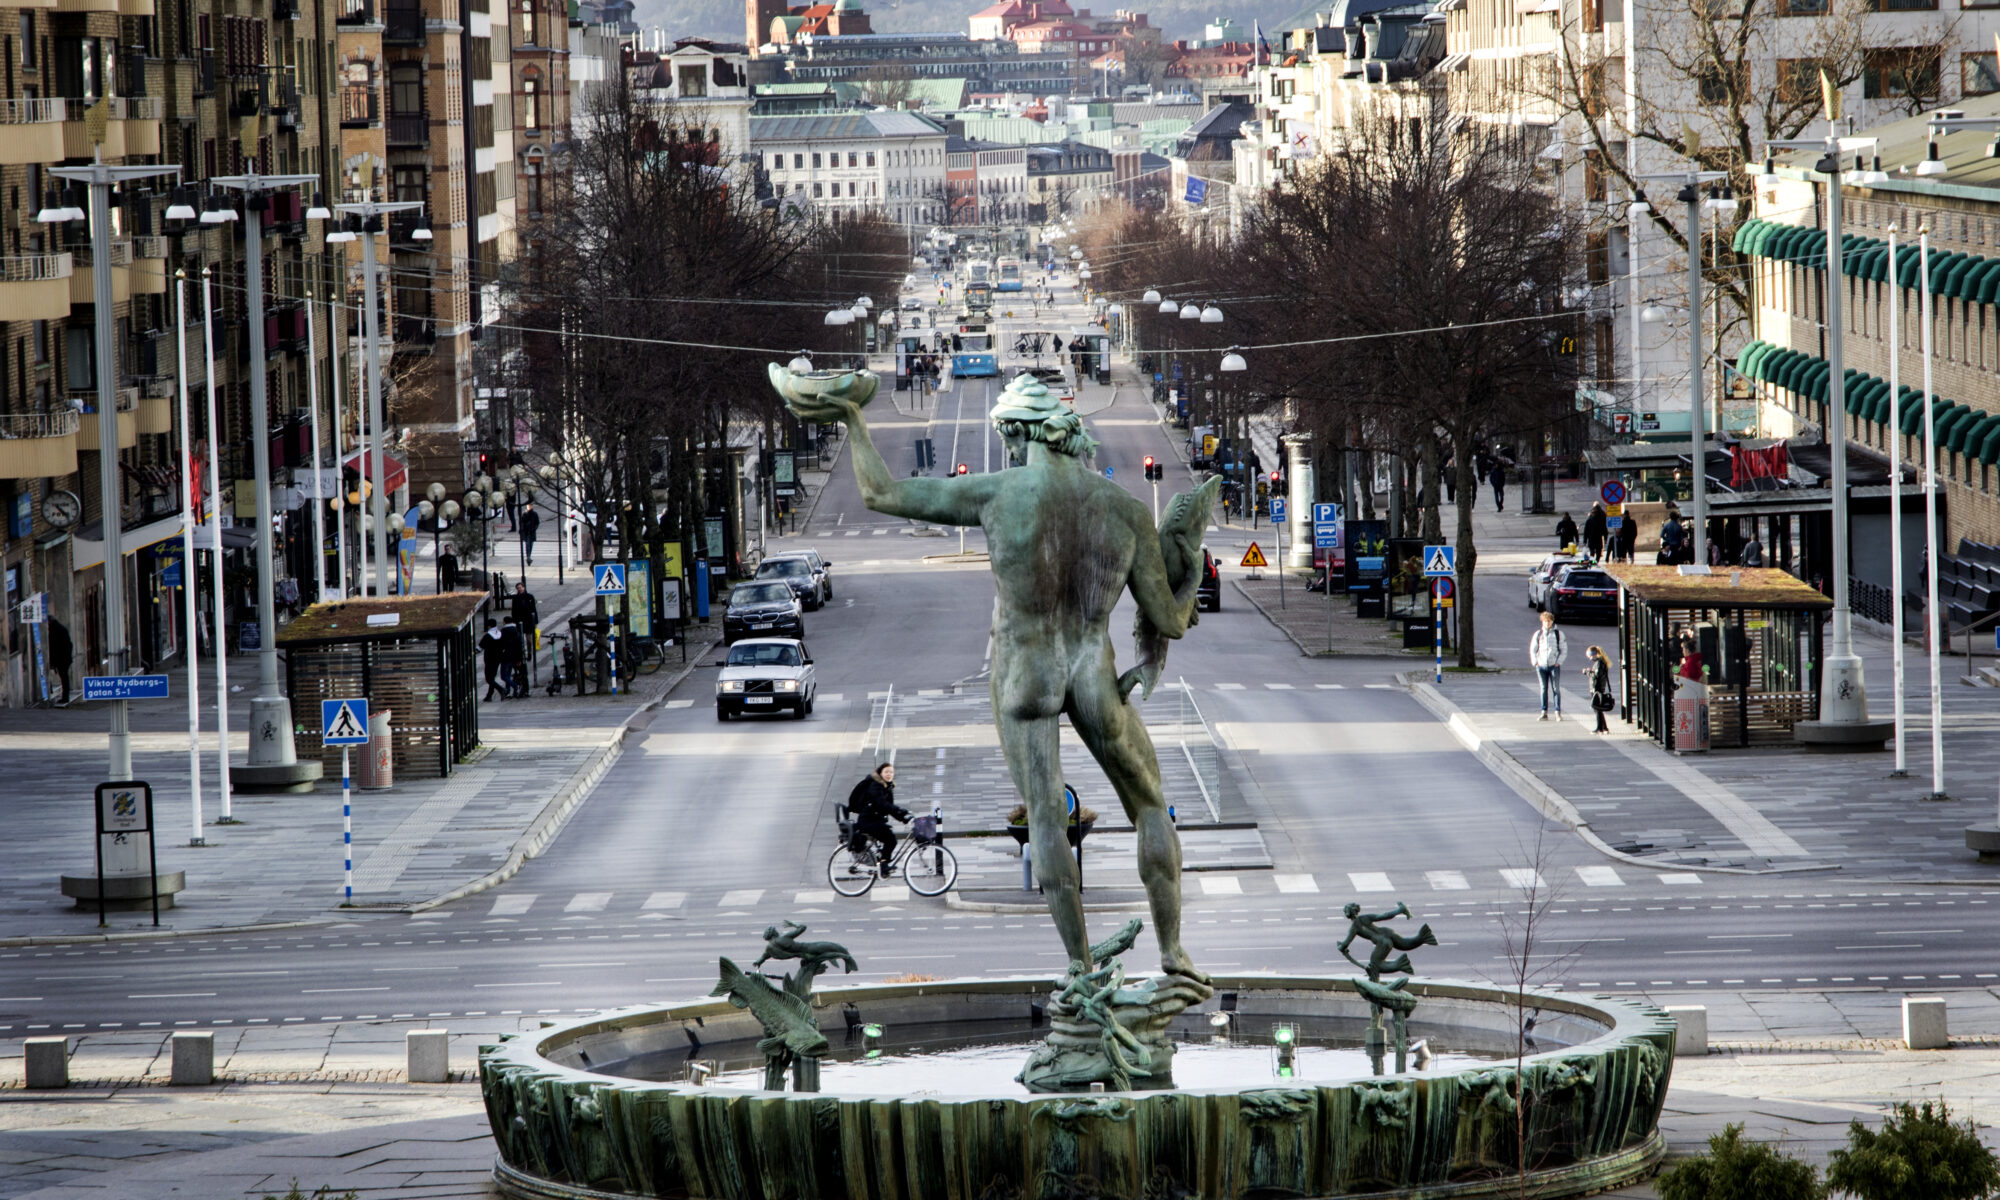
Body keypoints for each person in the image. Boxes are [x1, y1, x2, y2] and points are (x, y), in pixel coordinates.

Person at [845, 763, 911, 876]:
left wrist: (903, 818)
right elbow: (882, 804)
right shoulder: (875, 786)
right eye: (886, 772)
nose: (889, 774)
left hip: (875, 820)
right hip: (868, 821)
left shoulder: (887, 787)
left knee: (889, 839)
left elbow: (889, 808)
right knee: (890, 839)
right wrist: (900, 811)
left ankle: (882, 863)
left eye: (891, 772)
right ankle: (883, 865)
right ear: (880, 773)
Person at [1530, 609, 1568, 721]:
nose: (1547, 623)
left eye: (1549, 621)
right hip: (1541, 665)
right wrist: (1535, 662)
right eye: (1545, 621)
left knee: (1556, 688)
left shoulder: (1558, 634)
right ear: (1542, 622)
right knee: (1543, 688)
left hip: (1553, 665)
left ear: (1552, 622)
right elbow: (1533, 649)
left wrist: (1558, 662)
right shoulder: (1538, 634)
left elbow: (1563, 650)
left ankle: (1557, 712)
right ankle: (1544, 711)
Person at [1584, 644, 1613, 734]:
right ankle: (1604, 728)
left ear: (1594, 654)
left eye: (1590, 656)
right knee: (1598, 709)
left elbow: (1596, 675)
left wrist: (1587, 672)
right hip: (1598, 688)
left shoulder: (1600, 663)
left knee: (1597, 709)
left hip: (1597, 688)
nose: (1590, 658)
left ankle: (1599, 728)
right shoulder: (1601, 662)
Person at [46, 616, 73, 705]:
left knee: (64, 678)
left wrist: (53, 662)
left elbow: (54, 647)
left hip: (62, 659)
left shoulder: (55, 630)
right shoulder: (60, 628)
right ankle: (65, 696)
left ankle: (65, 697)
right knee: (64, 677)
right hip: (65, 658)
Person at [500, 614, 528, 699]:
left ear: (504, 622)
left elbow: (502, 645)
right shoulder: (517, 630)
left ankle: (514, 686)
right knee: (508, 674)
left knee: (504, 675)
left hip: (506, 657)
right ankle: (508, 690)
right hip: (515, 657)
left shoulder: (503, 632)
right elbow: (520, 645)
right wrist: (519, 658)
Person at [480, 617, 505, 701]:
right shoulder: (500, 634)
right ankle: (489, 695)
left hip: (489, 659)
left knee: (488, 678)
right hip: (498, 658)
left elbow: (480, 647)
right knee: (492, 677)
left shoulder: (487, 636)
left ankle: (501, 689)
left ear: (489, 626)